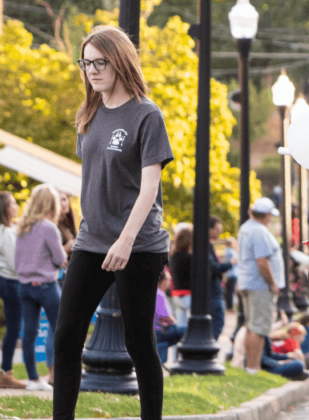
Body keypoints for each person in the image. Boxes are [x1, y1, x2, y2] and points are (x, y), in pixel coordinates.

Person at [53, 25, 175, 420]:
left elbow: (149, 188)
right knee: (66, 337)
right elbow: (92, 177)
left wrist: (125, 241)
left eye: (99, 62)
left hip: (138, 245)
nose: (91, 70)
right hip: (91, 241)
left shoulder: (147, 115)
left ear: (120, 61)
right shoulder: (88, 113)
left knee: (139, 342)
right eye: (85, 63)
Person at [15, 185, 66, 391]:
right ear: (51, 205)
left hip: (25, 286)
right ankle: (63, 375)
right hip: (46, 286)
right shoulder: (48, 227)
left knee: (29, 332)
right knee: (62, 329)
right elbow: (60, 258)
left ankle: (33, 380)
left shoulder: (22, 227)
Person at [236, 198, 285, 375]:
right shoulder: (259, 232)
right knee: (259, 327)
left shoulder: (246, 228)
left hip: (249, 283)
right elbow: (262, 261)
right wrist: (273, 284)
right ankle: (253, 367)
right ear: (266, 214)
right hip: (260, 285)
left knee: (251, 326)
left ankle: (250, 366)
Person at [0, 192, 25, 389]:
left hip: (5, 280)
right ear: (6, 209)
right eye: (14, 203)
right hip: (10, 282)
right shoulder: (7, 233)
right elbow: (15, 264)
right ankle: (6, 373)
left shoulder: (7, 230)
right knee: (14, 327)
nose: (16, 206)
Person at [208, 215, 233, 341]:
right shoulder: (205, 247)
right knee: (217, 323)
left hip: (215, 291)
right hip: (212, 292)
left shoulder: (209, 246)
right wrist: (230, 263)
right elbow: (214, 268)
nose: (220, 232)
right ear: (209, 229)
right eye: (217, 229)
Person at [154, 270, 186, 362]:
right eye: (169, 279)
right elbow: (166, 317)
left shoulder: (152, 293)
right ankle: (183, 361)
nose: (170, 282)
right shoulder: (159, 294)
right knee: (187, 331)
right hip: (160, 331)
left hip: (154, 330)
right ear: (163, 280)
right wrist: (176, 324)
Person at [168, 224, 193, 325]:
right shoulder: (189, 257)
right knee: (189, 324)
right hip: (188, 293)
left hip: (177, 293)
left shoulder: (173, 257)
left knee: (180, 323)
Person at [224, 237, 239, 310]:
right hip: (233, 273)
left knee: (229, 291)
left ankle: (229, 306)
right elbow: (234, 261)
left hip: (229, 273)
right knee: (231, 291)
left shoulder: (226, 251)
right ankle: (230, 307)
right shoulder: (231, 251)